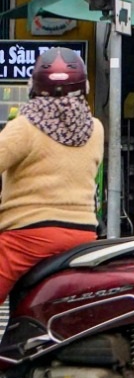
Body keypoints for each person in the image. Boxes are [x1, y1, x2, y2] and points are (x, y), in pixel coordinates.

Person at [0, 48, 103, 304]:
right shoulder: (95, 128)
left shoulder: (25, 128)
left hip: (27, 237)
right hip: (83, 234)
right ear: (84, 88)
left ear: (34, 87)